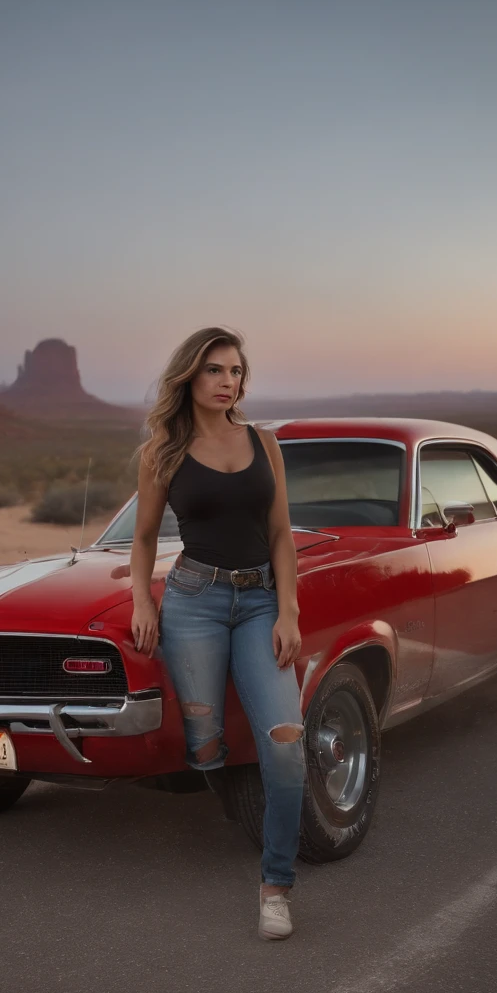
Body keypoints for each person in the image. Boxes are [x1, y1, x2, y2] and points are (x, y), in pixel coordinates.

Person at [129, 326, 305, 941]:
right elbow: (145, 537)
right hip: (192, 603)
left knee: (286, 748)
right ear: (189, 377)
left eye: (235, 371)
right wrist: (142, 602)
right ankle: (234, 792)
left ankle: (275, 886)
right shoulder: (163, 452)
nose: (227, 381)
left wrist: (289, 611)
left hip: (260, 602)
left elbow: (281, 533)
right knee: (204, 746)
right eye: (214, 370)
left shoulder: (263, 442)